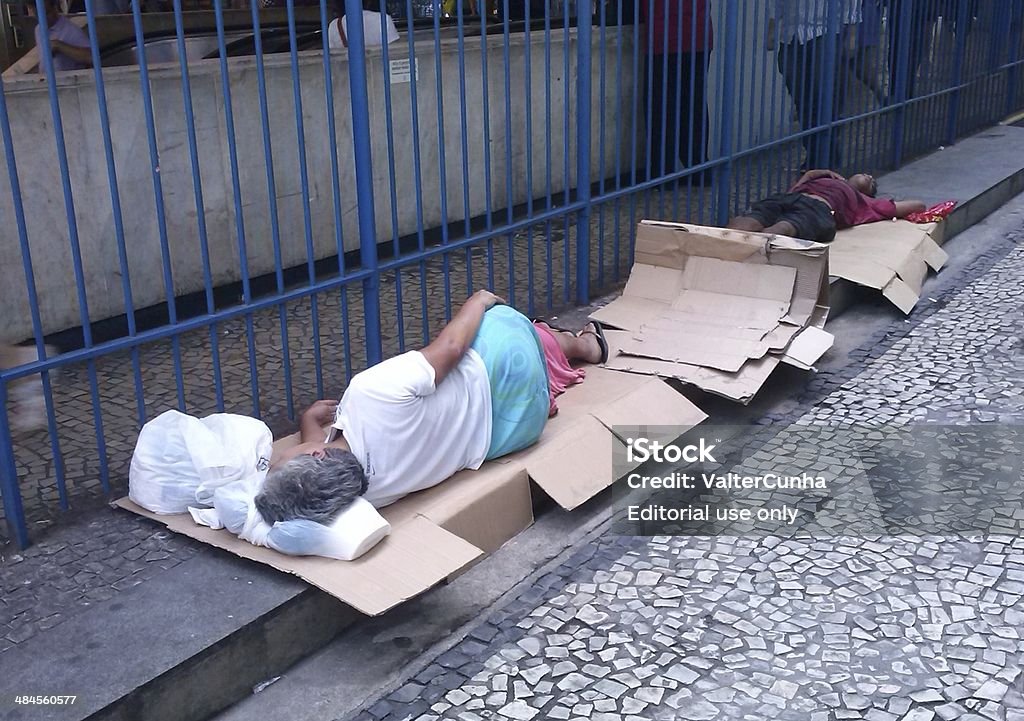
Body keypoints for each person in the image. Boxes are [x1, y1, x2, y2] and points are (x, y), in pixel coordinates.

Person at [254, 291, 609, 524]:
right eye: (279, 460)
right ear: (316, 455)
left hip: (518, 431)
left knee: (518, 363)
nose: (276, 456)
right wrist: (479, 301)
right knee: (506, 331)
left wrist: (308, 424)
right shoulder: (369, 395)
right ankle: (582, 347)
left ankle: (549, 380)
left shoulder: (363, 495)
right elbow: (451, 348)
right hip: (511, 373)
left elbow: (322, 462)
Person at [768, 0, 860, 170]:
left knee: (822, 97)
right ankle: (815, 153)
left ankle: (827, 158)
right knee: (802, 99)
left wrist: (852, 33)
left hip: (824, 31)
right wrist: (773, 28)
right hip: (791, 34)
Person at [726, 169, 926, 243]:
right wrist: (818, 172)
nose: (870, 176)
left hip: (818, 209)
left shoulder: (863, 202)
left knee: (783, 228)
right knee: (746, 222)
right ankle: (723, 244)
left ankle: (750, 252)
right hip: (789, 198)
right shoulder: (826, 177)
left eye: (872, 182)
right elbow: (801, 182)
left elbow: (918, 205)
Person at [640, 0, 713, 183]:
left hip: (664, 37)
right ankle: (698, 168)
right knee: (693, 103)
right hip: (697, 34)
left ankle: (664, 173)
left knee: (661, 107)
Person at [31, 0, 91, 73]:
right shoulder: (38, 30)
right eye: (38, 14)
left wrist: (60, 46)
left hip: (68, 82)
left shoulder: (71, 30)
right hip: (46, 81)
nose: (43, 18)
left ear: (55, 8)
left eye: (46, 13)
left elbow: (90, 57)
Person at [327, 0, 400, 50]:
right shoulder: (384, 19)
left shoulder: (334, 25)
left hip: (347, 72)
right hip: (380, 71)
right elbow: (394, 53)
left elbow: (334, 58)